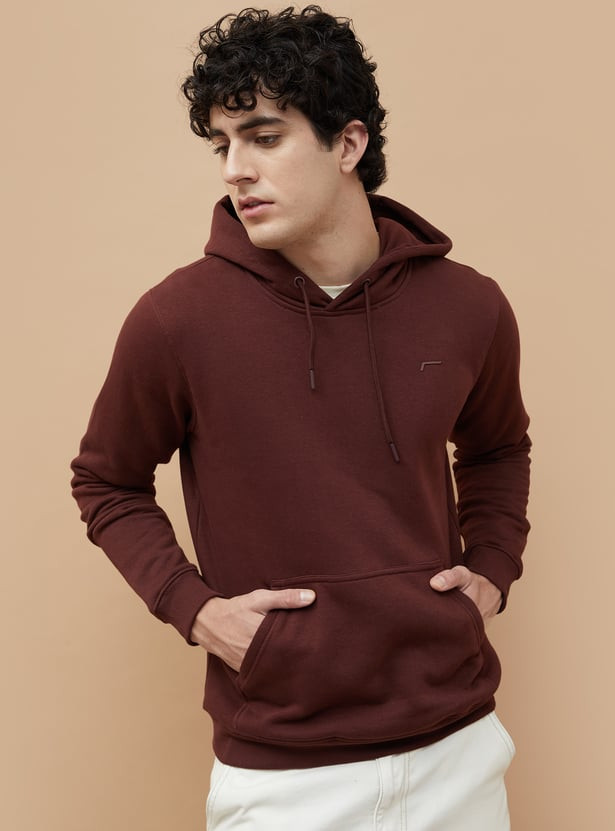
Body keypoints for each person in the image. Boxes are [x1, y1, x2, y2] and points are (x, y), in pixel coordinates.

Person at [71, 6, 531, 829]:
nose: (234, 170)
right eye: (222, 145)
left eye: (263, 137)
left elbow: (497, 448)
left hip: (458, 749)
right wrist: (195, 608)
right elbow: (106, 481)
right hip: (284, 775)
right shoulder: (177, 320)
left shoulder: (469, 306)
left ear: (347, 143)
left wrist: (492, 568)